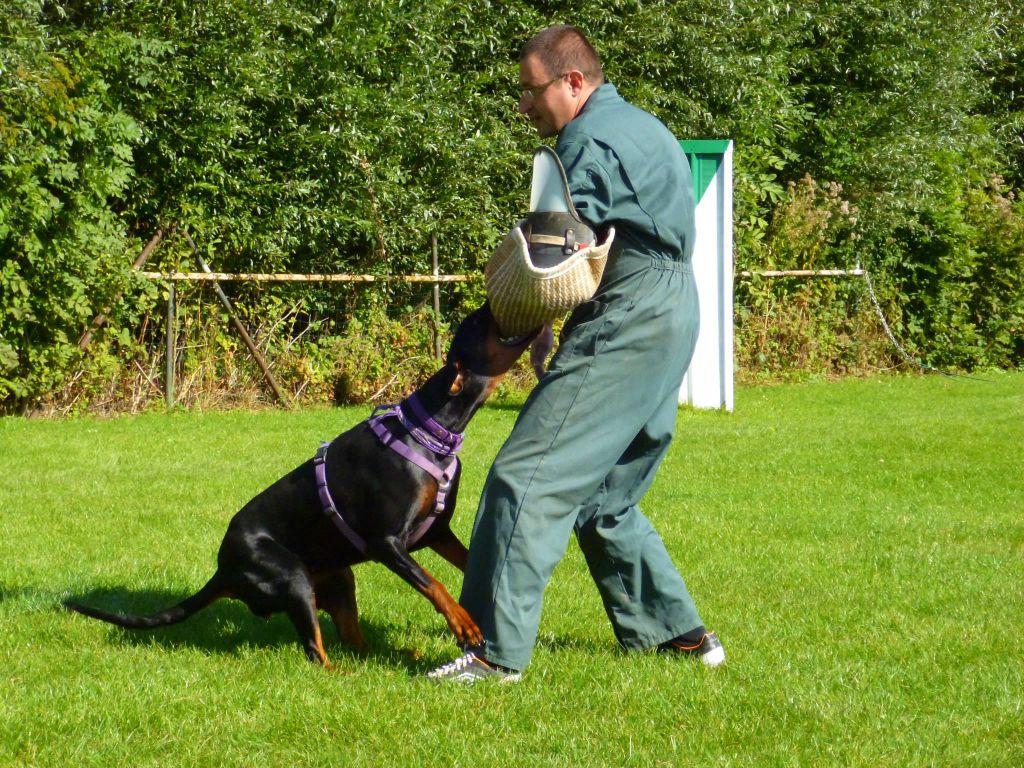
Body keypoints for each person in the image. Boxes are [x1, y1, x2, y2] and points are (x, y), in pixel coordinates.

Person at [429, 25, 723, 683]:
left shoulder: (585, 141)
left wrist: (504, 336)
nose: (523, 106)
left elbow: (551, 256)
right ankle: (676, 634)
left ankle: (490, 651)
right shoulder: (646, 126)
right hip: (674, 306)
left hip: (628, 312)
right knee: (606, 494)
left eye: (531, 91)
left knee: (525, 475)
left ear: (571, 81)